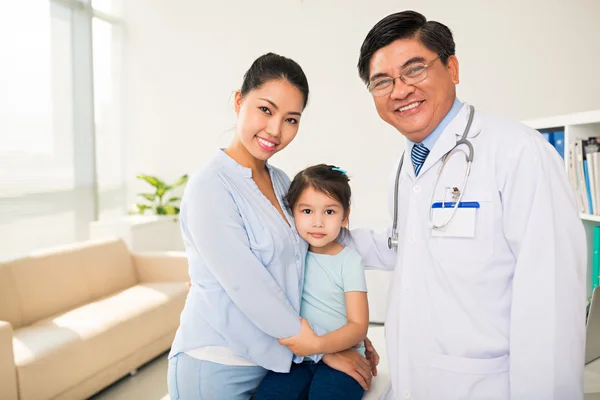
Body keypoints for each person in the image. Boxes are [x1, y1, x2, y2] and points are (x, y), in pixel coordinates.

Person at [349, 10, 587, 399]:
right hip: (413, 381)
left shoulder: (518, 152)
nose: (400, 90)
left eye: (414, 70)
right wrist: (317, 234)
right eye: (382, 82)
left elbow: (552, 302)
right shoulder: (408, 162)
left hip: (485, 386)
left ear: (452, 68)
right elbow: (408, 245)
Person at [167, 53, 377, 400]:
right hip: (217, 363)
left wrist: (341, 335)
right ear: (239, 101)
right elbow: (250, 288)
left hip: (274, 362)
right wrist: (321, 348)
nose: (275, 130)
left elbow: (298, 271)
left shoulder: (282, 183)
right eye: (265, 110)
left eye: (291, 119)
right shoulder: (210, 187)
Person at [254, 164, 368, 400]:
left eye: (329, 212)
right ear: (291, 212)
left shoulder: (348, 261)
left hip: (343, 355)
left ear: (345, 216)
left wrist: (318, 346)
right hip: (297, 358)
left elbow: (358, 326)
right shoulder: (287, 255)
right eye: (307, 211)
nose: (317, 222)